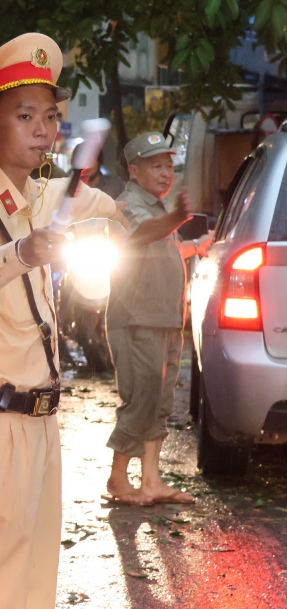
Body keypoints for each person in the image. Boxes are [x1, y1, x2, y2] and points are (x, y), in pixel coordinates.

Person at [0, 33, 129, 608]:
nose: (43, 129)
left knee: (35, 583)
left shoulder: (33, 196)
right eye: (25, 116)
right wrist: (20, 253)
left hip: (40, 419)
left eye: (50, 116)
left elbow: (92, 202)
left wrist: (129, 211)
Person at [104, 132, 212, 505]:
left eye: (168, 165)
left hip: (164, 318)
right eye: (156, 166)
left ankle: (151, 480)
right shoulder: (127, 205)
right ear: (134, 171)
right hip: (136, 319)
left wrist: (198, 245)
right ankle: (118, 478)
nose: (166, 173)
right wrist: (177, 217)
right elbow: (144, 234)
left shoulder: (156, 207)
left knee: (160, 401)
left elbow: (166, 250)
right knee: (141, 398)